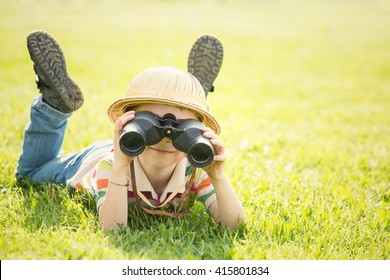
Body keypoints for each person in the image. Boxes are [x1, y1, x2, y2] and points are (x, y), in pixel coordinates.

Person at [16, 30, 246, 231]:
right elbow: (113, 230)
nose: (166, 138)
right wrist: (119, 167)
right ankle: (52, 108)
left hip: (134, 144)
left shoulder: (195, 169)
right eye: (150, 123)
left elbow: (235, 226)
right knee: (30, 174)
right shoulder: (111, 166)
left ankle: (190, 97)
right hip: (103, 157)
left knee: (180, 118)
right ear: (126, 122)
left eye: (185, 128)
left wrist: (218, 176)